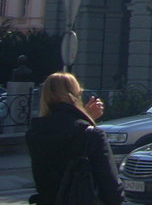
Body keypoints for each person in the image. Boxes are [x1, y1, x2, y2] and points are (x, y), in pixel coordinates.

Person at [26, 72, 124, 205]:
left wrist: (85, 117)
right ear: (76, 95)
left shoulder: (35, 134)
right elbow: (110, 186)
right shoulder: (91, 134)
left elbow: (61, 129)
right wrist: (86, 118)